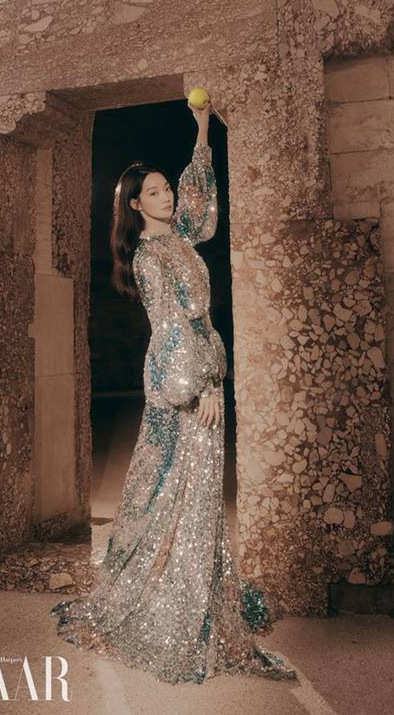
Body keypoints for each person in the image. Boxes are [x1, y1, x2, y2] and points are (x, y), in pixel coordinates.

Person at [50, 99, 297, 686]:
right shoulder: (149, 258)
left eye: (167, 189)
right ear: (136, 205)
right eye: (155, 192)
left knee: (196, 495)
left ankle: (200, 593)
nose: (166, 197)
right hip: (184, 382)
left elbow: (202, 208)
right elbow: (169, 330)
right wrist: (198, 388)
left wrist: (203, 129)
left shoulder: (183, 238)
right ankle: (172, 607)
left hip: (202, 372)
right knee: (176, 493)